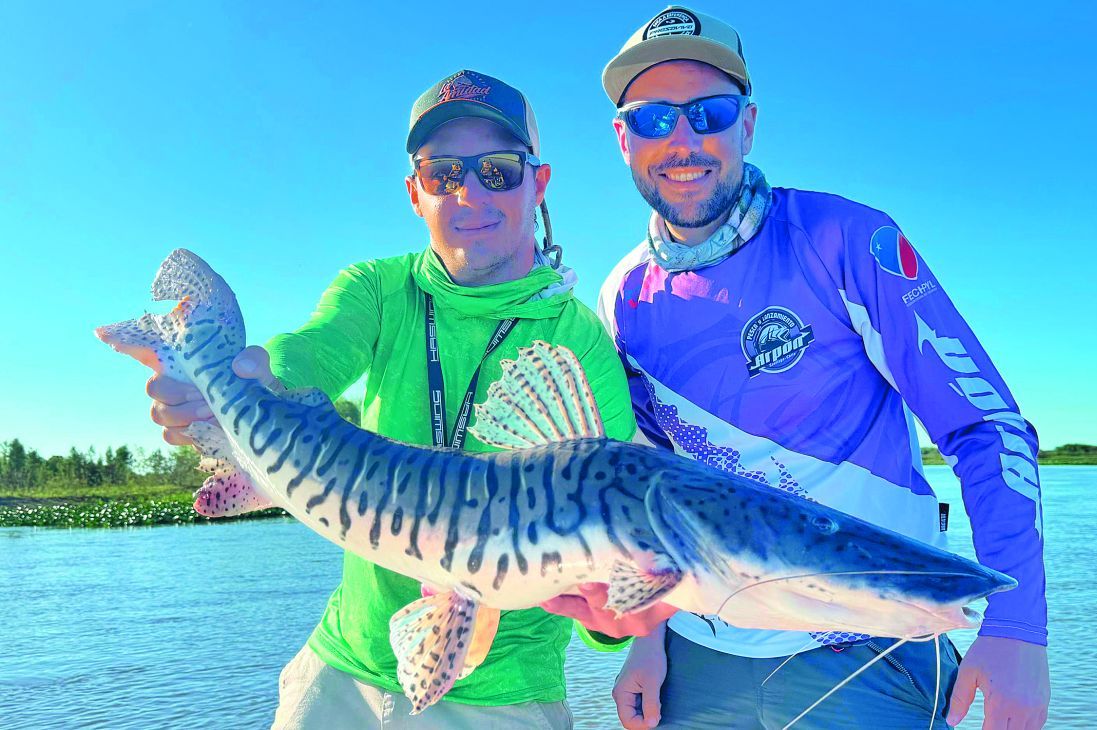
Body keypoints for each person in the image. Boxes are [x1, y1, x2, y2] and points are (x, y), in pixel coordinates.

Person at [559, 6, 1051, 729]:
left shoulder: (844, 239)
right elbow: (647, 490)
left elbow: (987, 429)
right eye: (654, 119)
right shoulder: (621, 295)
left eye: (710, 113)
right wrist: (648, 641)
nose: (683, 141)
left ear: (748, 126)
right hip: (697, 661)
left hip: (871, 655)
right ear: (623, 139)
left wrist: (1017, 627)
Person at [142, 69, 637, 729]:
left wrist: (614, 622)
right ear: (414, 193)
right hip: (341, 671)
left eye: (497, 170)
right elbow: (310, 353)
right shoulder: (378, 289)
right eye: (442, 173)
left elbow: (613, 591)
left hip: (508, 696)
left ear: (537, 182)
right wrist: (249, 377)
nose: (469, 193)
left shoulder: (581, 342)